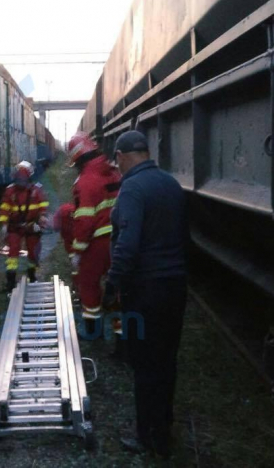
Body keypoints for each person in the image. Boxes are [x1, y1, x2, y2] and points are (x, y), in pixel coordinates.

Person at [103, 130, 188, 456]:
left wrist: (113, 285)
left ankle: (147, 436)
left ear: (123, 156)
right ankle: (164, 428)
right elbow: (184, 238)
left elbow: (127, 243)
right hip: (174, 286)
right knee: (167, 360)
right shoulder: (171, 184)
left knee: (144, 364)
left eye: (117, 160)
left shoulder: (133, 188)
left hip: (145, 290)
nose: (117, 166)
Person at [66, 133, 121, 339]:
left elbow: (85, 220)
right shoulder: (114, 172)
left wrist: (77, 251)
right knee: (116, 288)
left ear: (77, 159)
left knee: (88, 284)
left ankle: (93, 332)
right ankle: (121, 337)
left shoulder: (85, 181)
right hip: (119, 240)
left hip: (97, 244)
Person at [0, 161, 49, 293]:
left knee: (33, 252)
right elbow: (4, 209)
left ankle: (32, 276)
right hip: (14, 226)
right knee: (13, 253)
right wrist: (4, 225)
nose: (21, 181)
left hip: (32, 225)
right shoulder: (10, 191)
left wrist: (41, 220)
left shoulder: (36, 190)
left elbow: (43, 206)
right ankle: (10, 281)